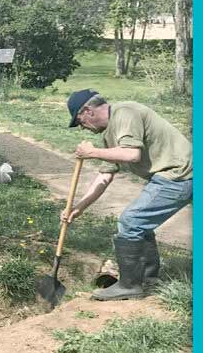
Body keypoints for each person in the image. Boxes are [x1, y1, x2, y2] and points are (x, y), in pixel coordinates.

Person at [62, 89, 192, 300]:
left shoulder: (125, 113)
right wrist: (78, 208)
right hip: (172, 175)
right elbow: (104, 176)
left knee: (131, 221)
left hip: (181, 174)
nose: (82, 128)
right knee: (139, 222)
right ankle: (149, 279)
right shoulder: (110, 132)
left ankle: (129, 285)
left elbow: (132, 154)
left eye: (80, 122)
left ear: (87, 111)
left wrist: (91, 152)